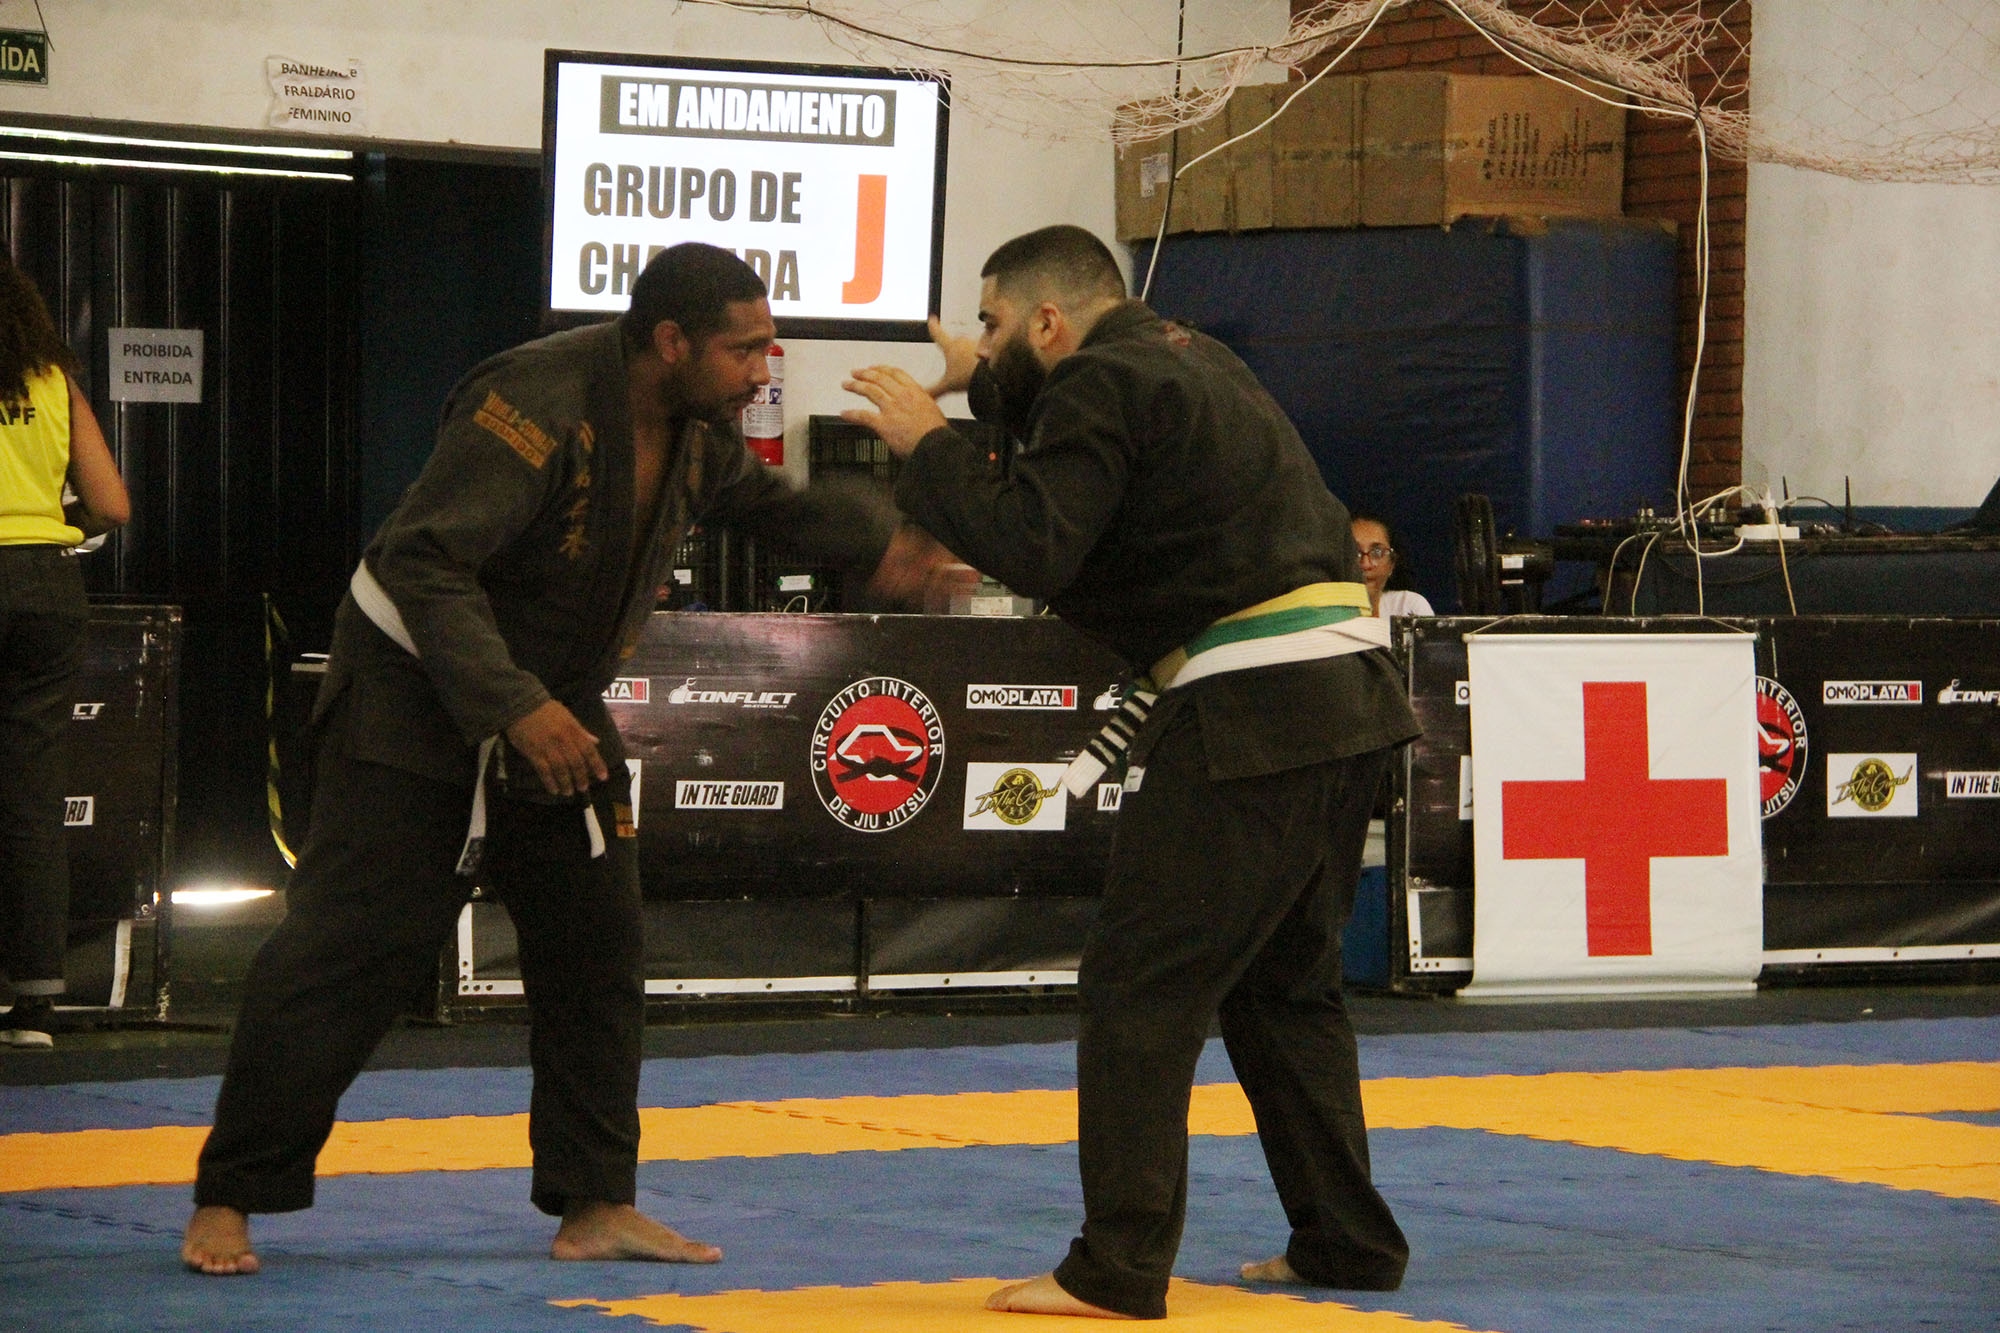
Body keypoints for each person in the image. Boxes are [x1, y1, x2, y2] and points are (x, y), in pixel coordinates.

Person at [182, 242, 951, 1275]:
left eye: (766, 347)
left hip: (554, 699)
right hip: (415, 693)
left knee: (597, 947)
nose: (761, 369)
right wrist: (512, 706)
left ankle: (595, 1201)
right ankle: (231, 1195)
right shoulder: (533, 401)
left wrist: (885, 542)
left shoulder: (696, 431)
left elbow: (776, 510)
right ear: (670, 341)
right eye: (744, 349)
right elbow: (423, 560)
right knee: (347, 951)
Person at [843, 225, 1419, 1320]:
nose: (982, 341)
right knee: (1282, 989)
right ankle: (1345, 1242)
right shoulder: (1189, 358)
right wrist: (979, 384)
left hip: (1252, 714)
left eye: (991, 325)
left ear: (1048, 320)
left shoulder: (1100, 381)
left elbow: (1036, 540)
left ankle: (1115, 1266)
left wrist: (931, 441)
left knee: (1138, 987)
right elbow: (1078, 450)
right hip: (1346, 702)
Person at [0, 255, 130, 1052]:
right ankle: (35, 1005)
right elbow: (111, 504)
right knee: (30, 798)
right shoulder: (55, 382)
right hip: (47, 589)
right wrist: (56, 529)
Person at [1350, 513, 1433, 618]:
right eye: (1354, 552)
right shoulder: (1329, 615)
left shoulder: (1408, 606)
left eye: (1377, 552)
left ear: (1392, 564)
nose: (1366, 564)